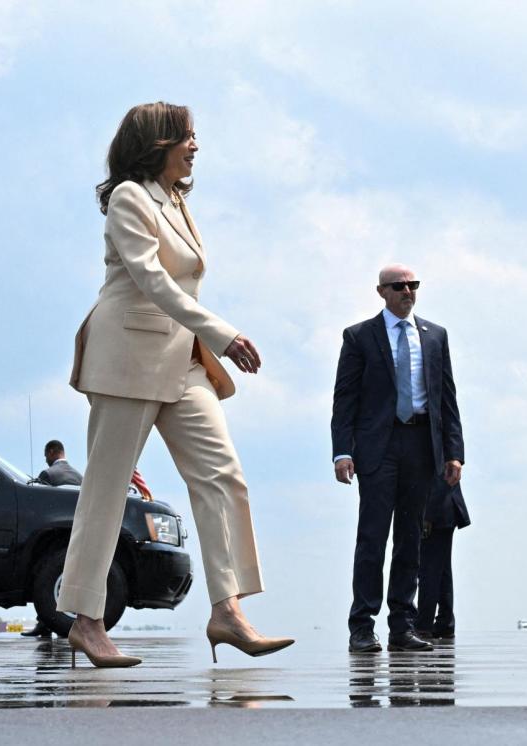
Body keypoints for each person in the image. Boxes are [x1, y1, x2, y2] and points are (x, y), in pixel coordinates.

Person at [59, 101, 292, 668]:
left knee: (223, 475)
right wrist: (223, 336)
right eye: (186, 137)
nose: (195, 146)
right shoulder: (129, 198)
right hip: (127, 356)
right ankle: (87, 622)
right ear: (157, 143)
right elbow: (151, 278)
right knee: (107, 492)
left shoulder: (178, 200)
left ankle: (227, 609)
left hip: (181, 359)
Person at [332, 265, 463, 654]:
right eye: (399, 286)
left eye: (413, 285)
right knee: (372, 537)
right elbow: (345, 398)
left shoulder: (435, 336)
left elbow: (447, 399)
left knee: (411, 540)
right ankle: (362, 626)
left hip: (422, 445)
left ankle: (402, 626)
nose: (408, 291)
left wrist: (454, 452)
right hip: (378, 447)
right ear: (381, 291)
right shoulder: (359, 336)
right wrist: (343, 451)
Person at [416, 478, 470, 640]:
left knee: (428, 570)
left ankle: (424, 624)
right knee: (442, 569)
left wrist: (428, 516)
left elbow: (440, 477)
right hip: (445, 509)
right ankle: (445, 621)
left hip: (437, 511)